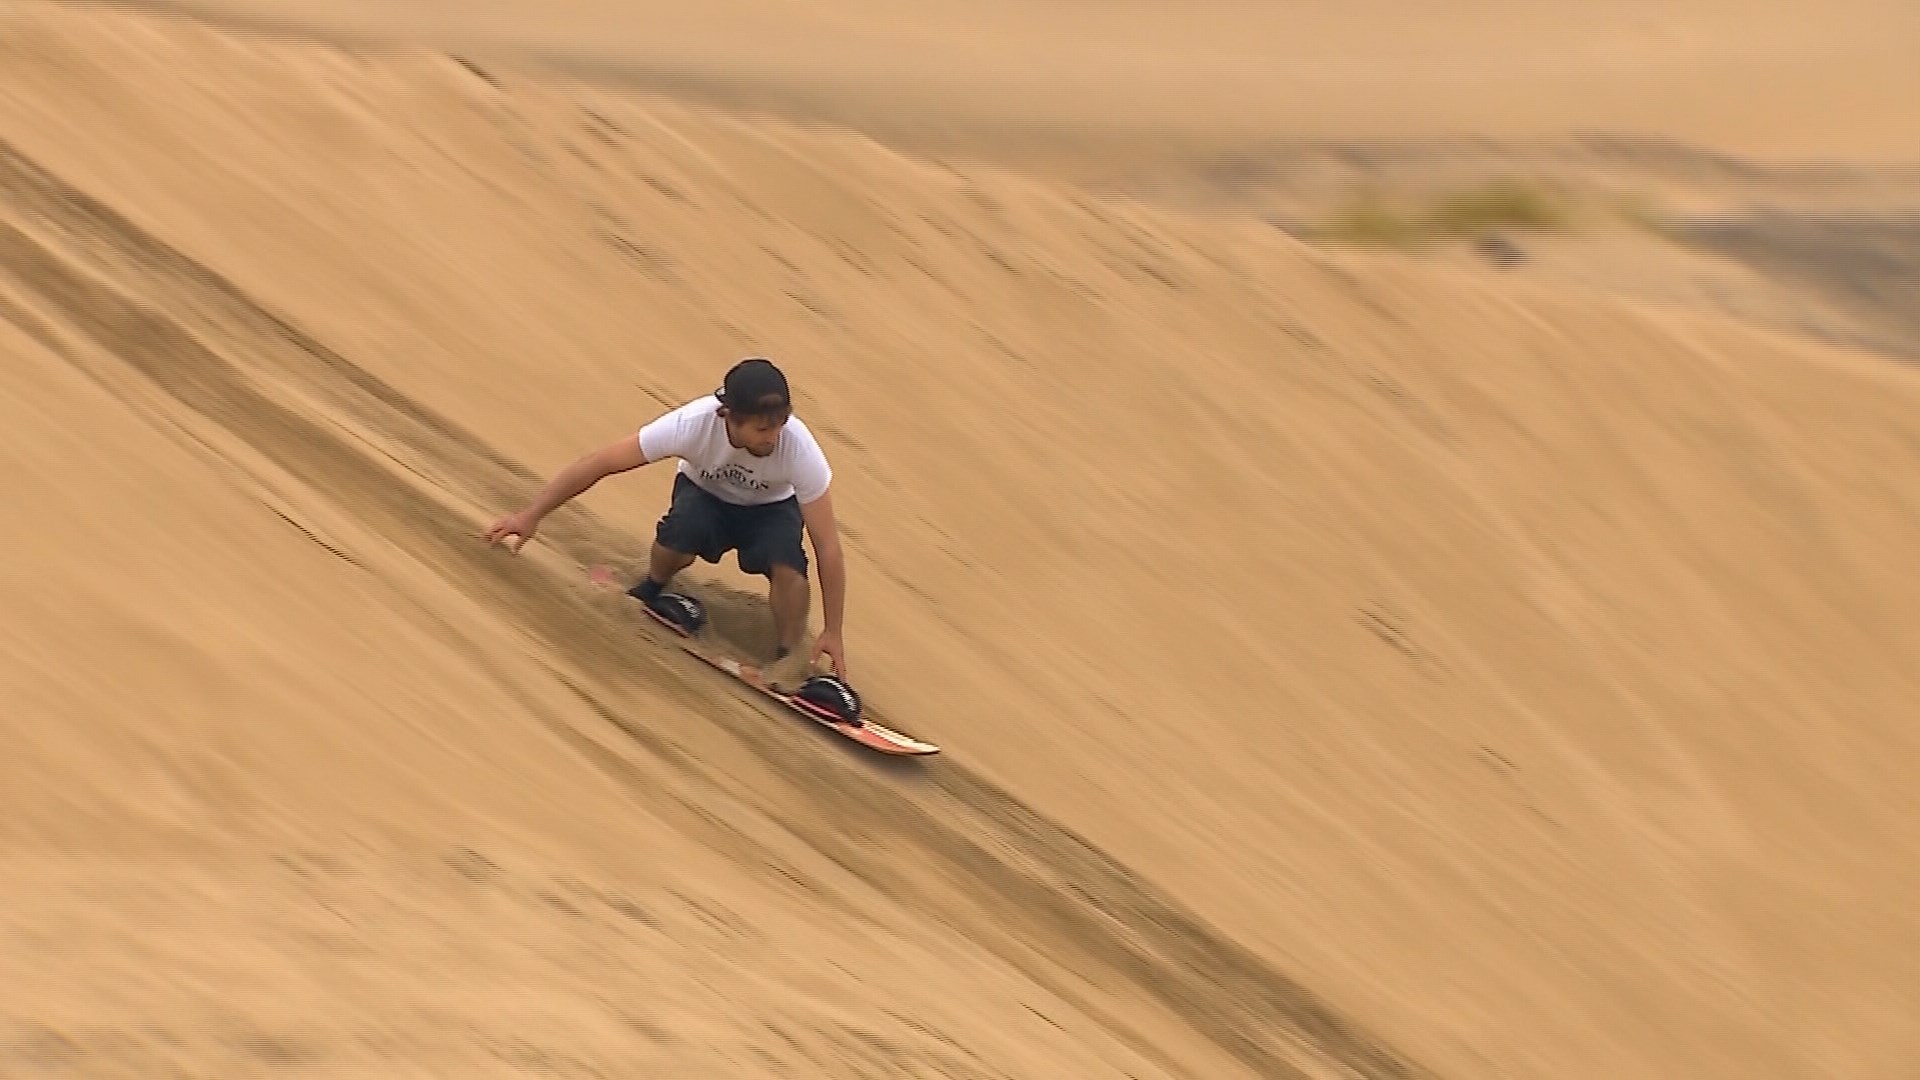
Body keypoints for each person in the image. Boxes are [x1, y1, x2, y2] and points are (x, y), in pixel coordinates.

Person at [484, 356, 848, 689]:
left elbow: (827, 546)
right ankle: (653, 585)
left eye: (780, 425)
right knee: (682, 529)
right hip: (705, 494)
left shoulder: (798, 449)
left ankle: (788, 656)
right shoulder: (693, 424)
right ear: (728, 416)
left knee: (788, 562)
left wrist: (833, 629)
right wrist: (530, 516)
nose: (773, 437)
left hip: (771, 510)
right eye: (762, 429)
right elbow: (602, 462)